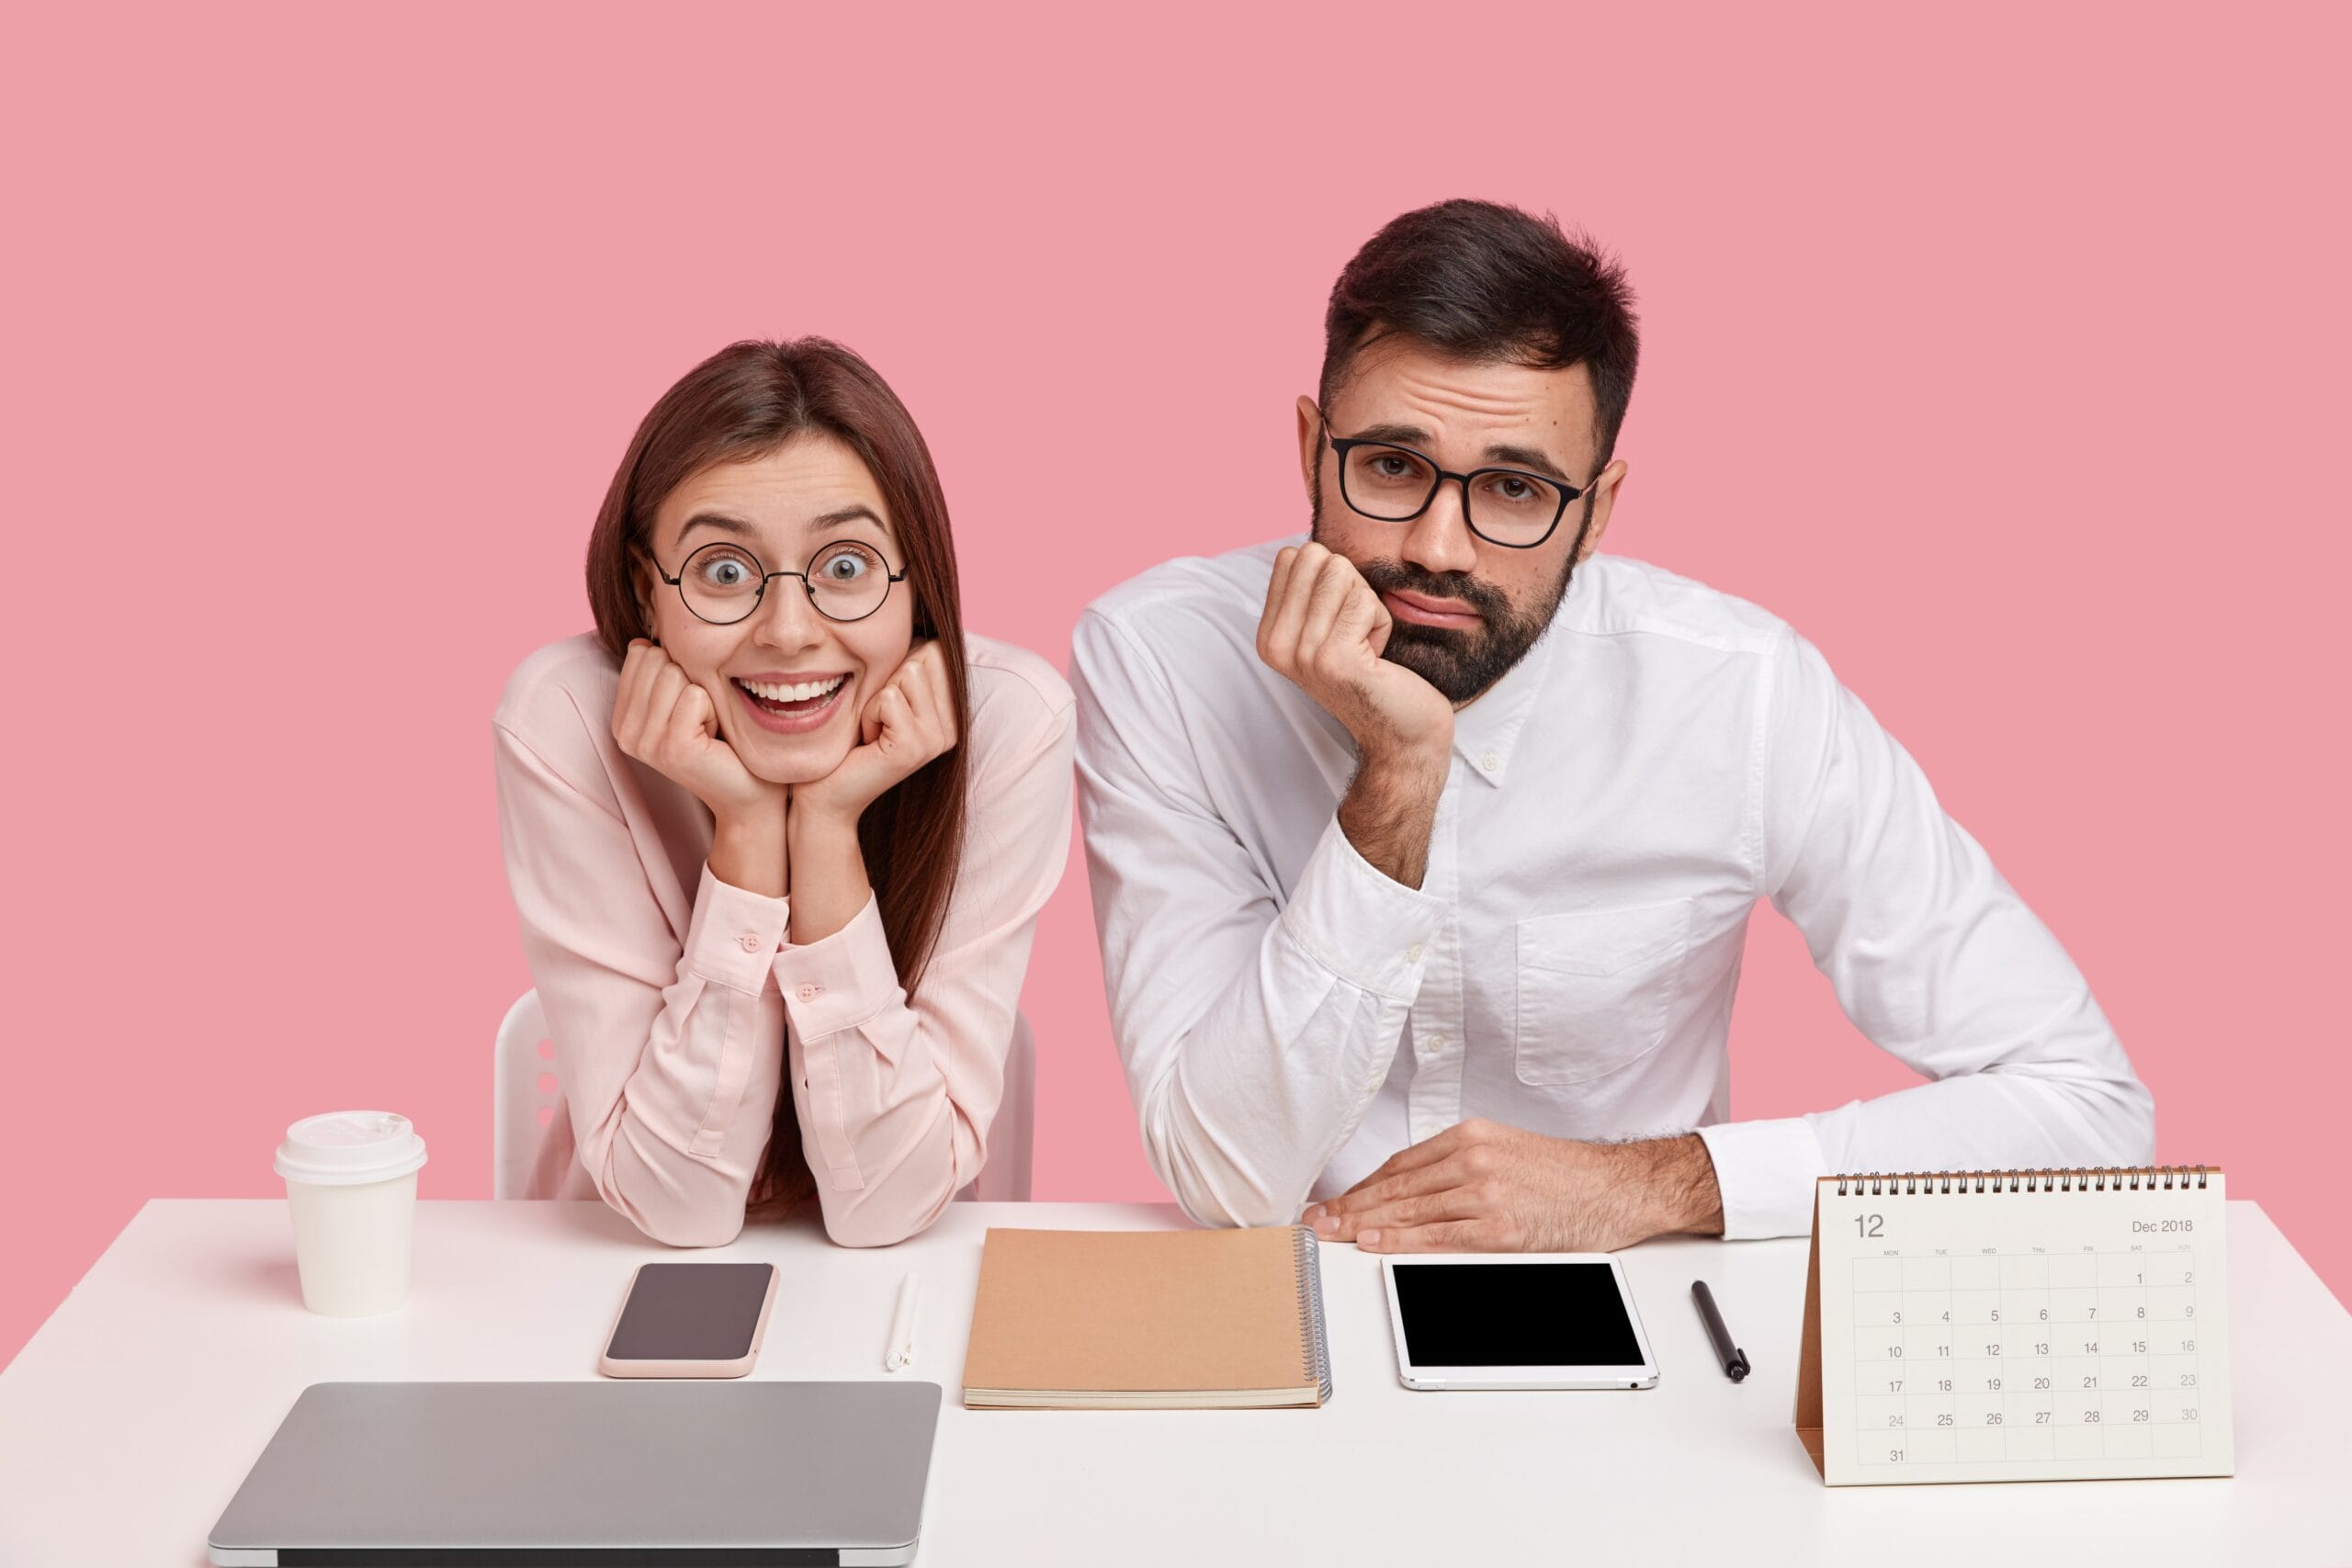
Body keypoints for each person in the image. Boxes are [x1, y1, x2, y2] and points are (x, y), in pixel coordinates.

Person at [1071, 199, 2153, 1253]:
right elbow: (1227, 1179)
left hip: (1638, 1304)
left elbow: (2087, 1115)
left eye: (1514, 488)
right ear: (1313, 446)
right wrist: (1398, 775)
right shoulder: (1161, 660)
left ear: (1596, 510)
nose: (1441, 548)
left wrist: (1649, 1185)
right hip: (1285, 1293)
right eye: (1393, 467)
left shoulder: (1740, 691)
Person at [495, 338, 1073, 1247]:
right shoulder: (564, 717)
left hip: (902, 1296)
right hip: (607, 1283)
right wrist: (749, 834)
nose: (791, 632)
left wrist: (829, 831)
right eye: (725, 571)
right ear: (648, 593)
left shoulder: (1008, 721)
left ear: (915, 585)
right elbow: (676, 1208)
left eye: (845, 566)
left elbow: (884, 1209)